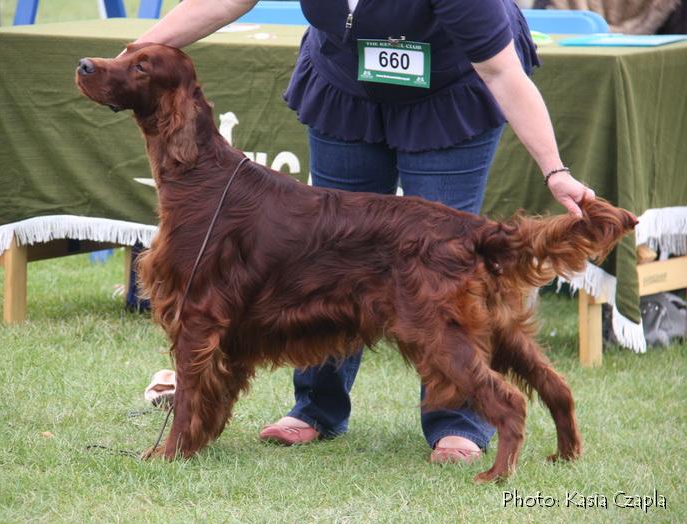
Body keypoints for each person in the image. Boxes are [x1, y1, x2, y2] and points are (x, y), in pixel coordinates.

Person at [131, 0, 595, 464]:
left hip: (448, 90)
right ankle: (317, 407)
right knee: (320, 261)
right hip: (347, 87)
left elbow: (502, 74)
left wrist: (555, 171)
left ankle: (459, 423)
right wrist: (136, 54)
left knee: (444, 276)